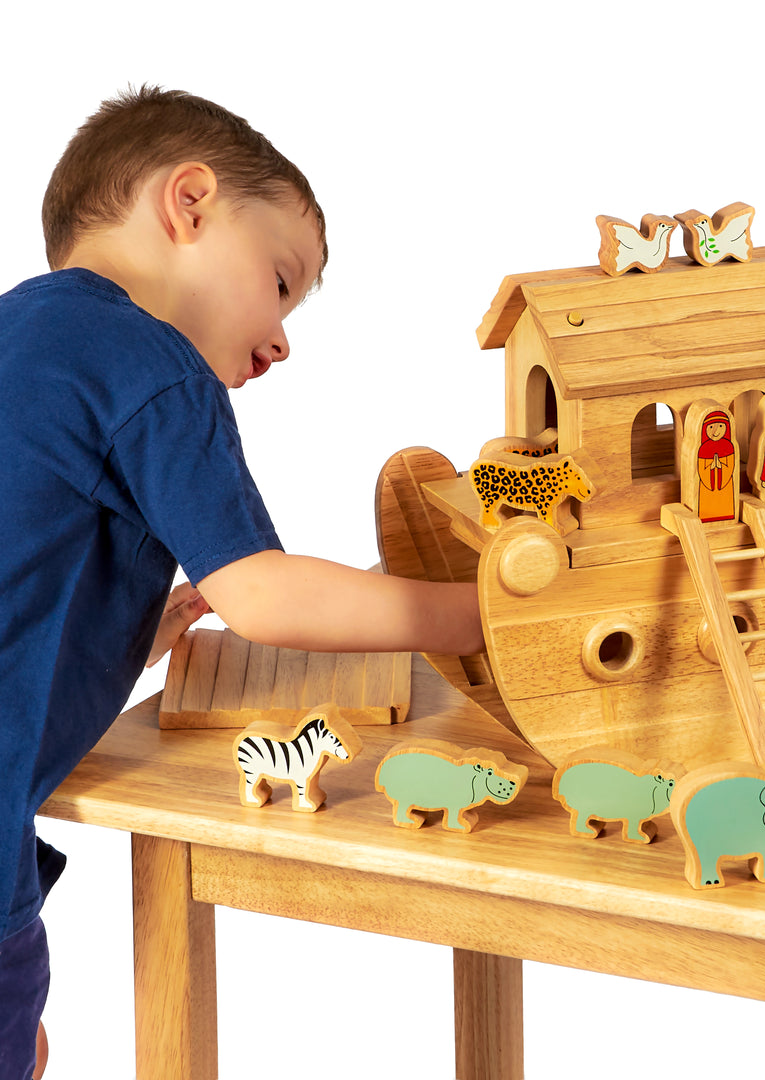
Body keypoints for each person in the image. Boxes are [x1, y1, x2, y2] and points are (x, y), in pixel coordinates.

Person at [0, 86, 483, 1077]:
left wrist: (129, 633)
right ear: (189, 203)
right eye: (280, 280)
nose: (281, 340)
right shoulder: (155, 364)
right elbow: (262, 595)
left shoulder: (23, 332)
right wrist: (476, 613)